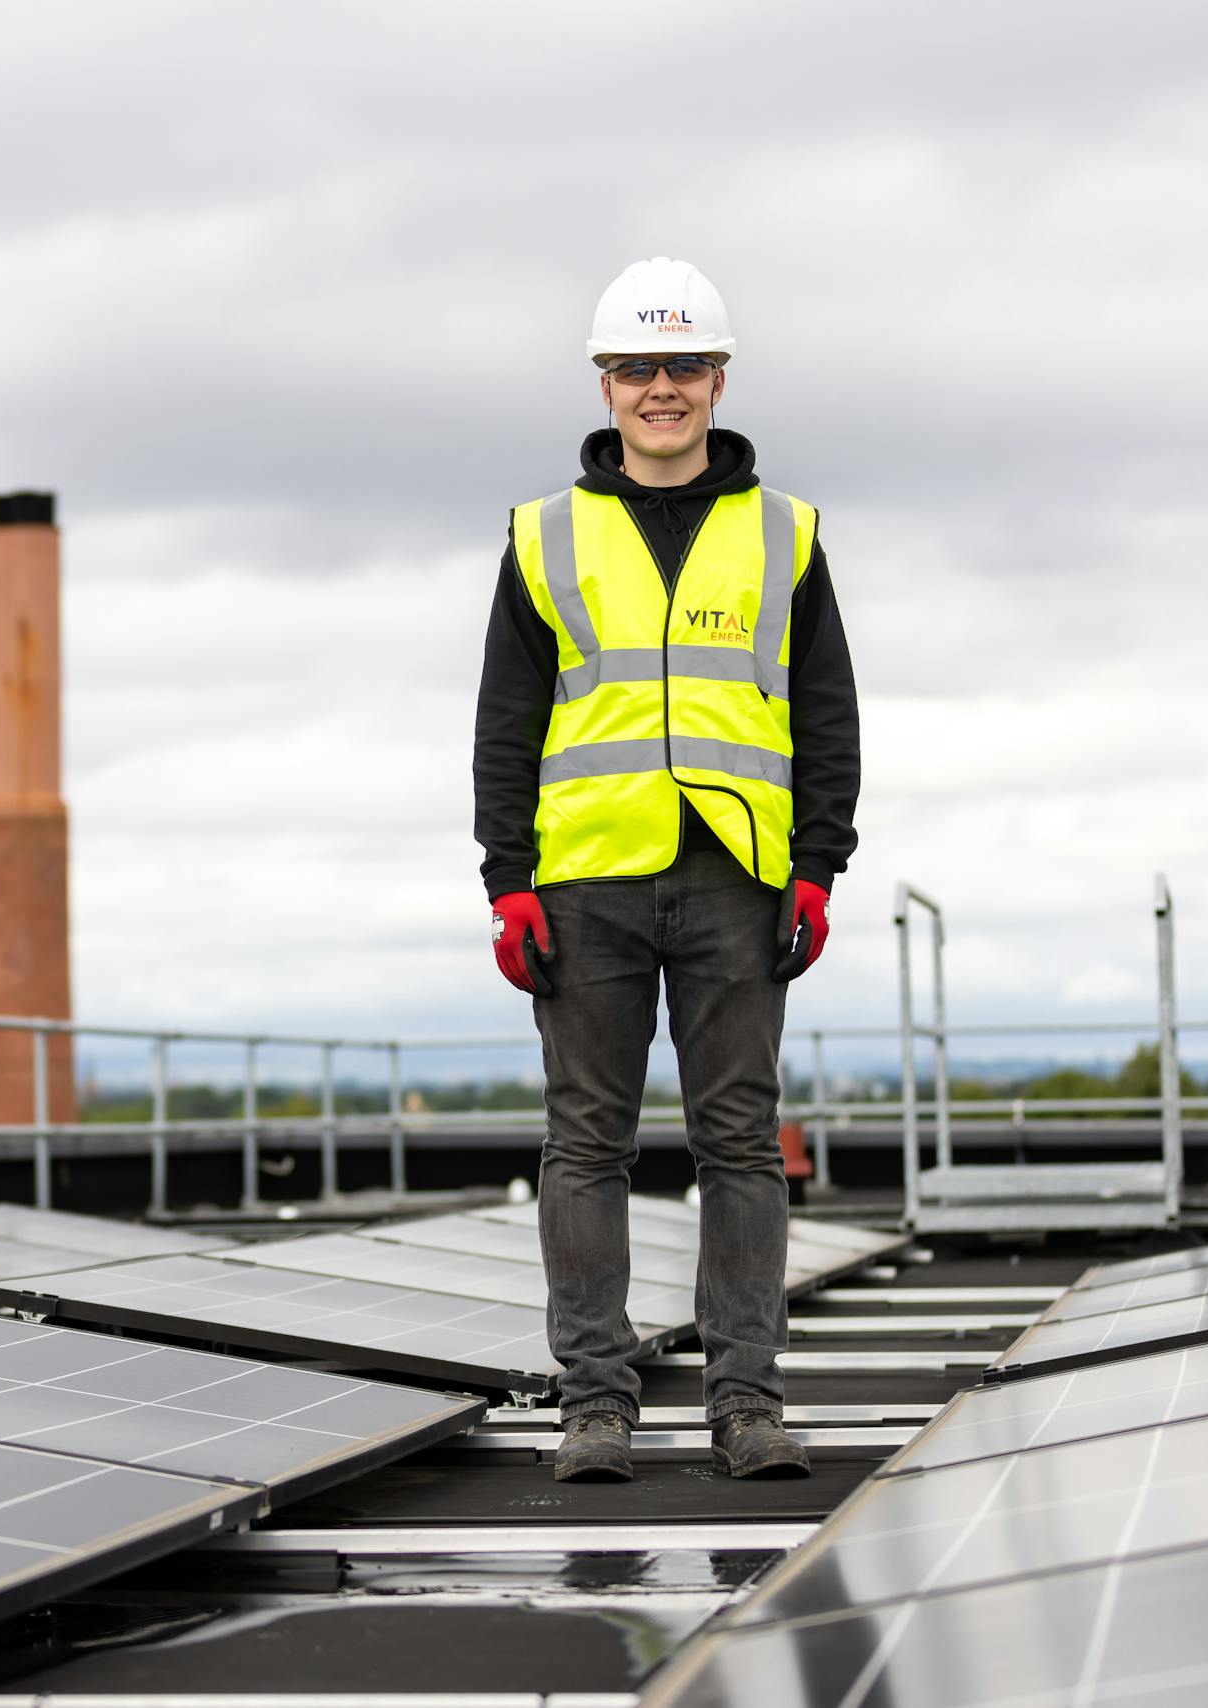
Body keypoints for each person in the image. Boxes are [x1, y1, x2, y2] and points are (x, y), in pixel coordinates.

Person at [470, 257, 862, 1482]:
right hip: (584, 883)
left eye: (682, 366)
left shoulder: (783, 532)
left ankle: (747, 1406)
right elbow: (506, 718)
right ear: (604, 383)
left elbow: (825, 708)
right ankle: (597, 1405)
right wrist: (508, 879)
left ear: (718, 378)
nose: (660, 389)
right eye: (637, 368)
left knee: (737, 1143)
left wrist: (817, 865)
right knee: (585, 1143)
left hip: (738, 882)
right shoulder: (543, 535)